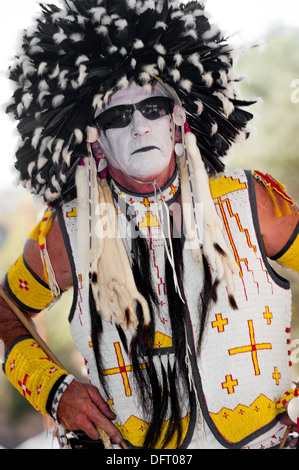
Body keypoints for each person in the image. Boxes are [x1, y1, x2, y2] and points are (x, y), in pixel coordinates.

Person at [1, 0, 299, 449]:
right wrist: (55, 390)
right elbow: (7, 308)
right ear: (94, 142)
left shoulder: (252, 202)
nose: (141, 127)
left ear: (180, 121)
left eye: (155, 107)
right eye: (118, 116)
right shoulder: (66, 234)